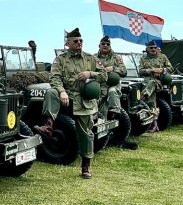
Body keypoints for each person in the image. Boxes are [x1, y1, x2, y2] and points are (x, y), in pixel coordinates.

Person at [49, 28, 107, 179]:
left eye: (81, 40)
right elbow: (54, 77)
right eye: (75, 41)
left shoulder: (90, 59)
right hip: (66, 96)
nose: (79, 43)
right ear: (67, 43)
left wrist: (90, 74)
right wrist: (61, 91)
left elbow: (104, 75)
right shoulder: (60, 59)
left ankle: (86, 166)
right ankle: (48, 124)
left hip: (84, 100)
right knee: (51, 92)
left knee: (86, 134)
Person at [95, 36, 137, 150]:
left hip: (113, 85)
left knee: (113, 93)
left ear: (110, 46)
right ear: (99, 45)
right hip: (100, 86)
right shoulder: (93, 58)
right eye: (103, 44)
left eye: (107, 44)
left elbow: (124, 71)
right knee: (101, 110)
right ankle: (104, 136)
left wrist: (112, 68)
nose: (105, 46)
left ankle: (116, 113)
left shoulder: (116, 58)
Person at [138, 40, 173, 132]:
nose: (153, 49)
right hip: (146, 84)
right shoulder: (143, 59)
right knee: (152, 101)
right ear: (147, 49)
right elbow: (140, 71)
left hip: (159, 82)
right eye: (151, 48)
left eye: (155, 47)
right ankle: (154, 125)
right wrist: (151, 70)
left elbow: (170, 68)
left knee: (152, 82)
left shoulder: (162, 57)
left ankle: (143, 97)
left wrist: (161, 70)